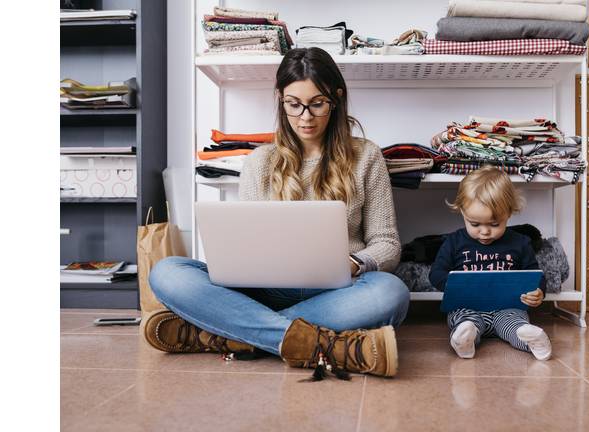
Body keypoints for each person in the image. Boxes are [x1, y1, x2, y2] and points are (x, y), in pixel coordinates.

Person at [141, 48, 410, 378]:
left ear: (336, 98)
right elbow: (248, 244)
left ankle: (234, 335)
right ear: (281, 99)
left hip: (336, 291)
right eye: (293, 104)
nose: (305, 117)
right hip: (264, 291)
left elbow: (387, 244)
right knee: (167, 271)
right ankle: (321, 344)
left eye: (317, 103)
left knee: (391, 293)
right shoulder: (260, 161)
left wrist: (354, 263)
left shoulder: (366, 156)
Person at [428, 164, 552, 361]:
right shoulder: (454, 241)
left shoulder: (519, 242)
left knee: (514, 324)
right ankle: (466, 339)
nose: (485, 232)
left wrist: (538, 291)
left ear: (509, 213)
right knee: (465, 321)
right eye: (474, 224)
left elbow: (533, 273)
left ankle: (532, 338)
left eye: (495, 224)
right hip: (468, 306)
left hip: (507, 308)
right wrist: (456, 285)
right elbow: (436, 273)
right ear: (462, 212)